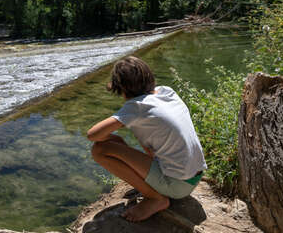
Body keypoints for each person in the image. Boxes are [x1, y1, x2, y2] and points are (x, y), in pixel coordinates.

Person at [87, 56, 207, 222]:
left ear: (122, 88)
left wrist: (118, 126)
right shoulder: (167, 92)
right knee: (117, 141)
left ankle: (156, 199)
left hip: (178, 186)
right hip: (194, 177)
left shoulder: (136, 107)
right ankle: (153, 188)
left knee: (99, 149)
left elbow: (92, 135)